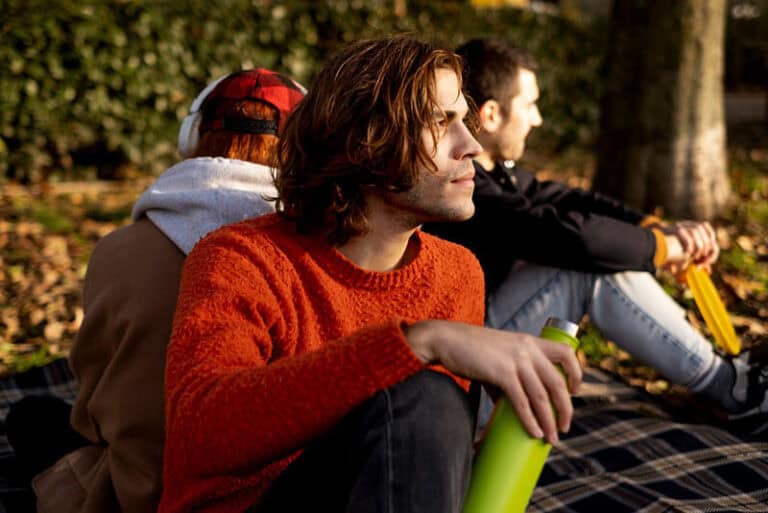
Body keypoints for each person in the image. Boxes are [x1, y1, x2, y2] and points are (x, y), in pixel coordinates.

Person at [158, 35, 583, 513]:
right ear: (367, 141)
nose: (471, 145)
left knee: (432, 404)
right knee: (425, 396)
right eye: (442, 123)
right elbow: (200, 435)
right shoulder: (242, 257)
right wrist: (416, 344)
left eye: (465, 120)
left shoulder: (456, 273)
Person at [425, 37, 768, 432]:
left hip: (476, 357)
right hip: (463, 390)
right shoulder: (464, 191)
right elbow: (574, 239)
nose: (537, 119)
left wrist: (653, 229)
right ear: (490, 115)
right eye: (530, 104)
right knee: (581, 267)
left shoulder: (497, 176)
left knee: (594, 253)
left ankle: (728, 381)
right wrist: (665, 247)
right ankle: (735, 393)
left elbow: (567, 198)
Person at [31, 68, 306, 513]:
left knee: (35, 419)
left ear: (191, 135)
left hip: (141, 494)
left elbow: (91, 409)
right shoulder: (319, 249)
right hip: (279, 493)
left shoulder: (118, 251)